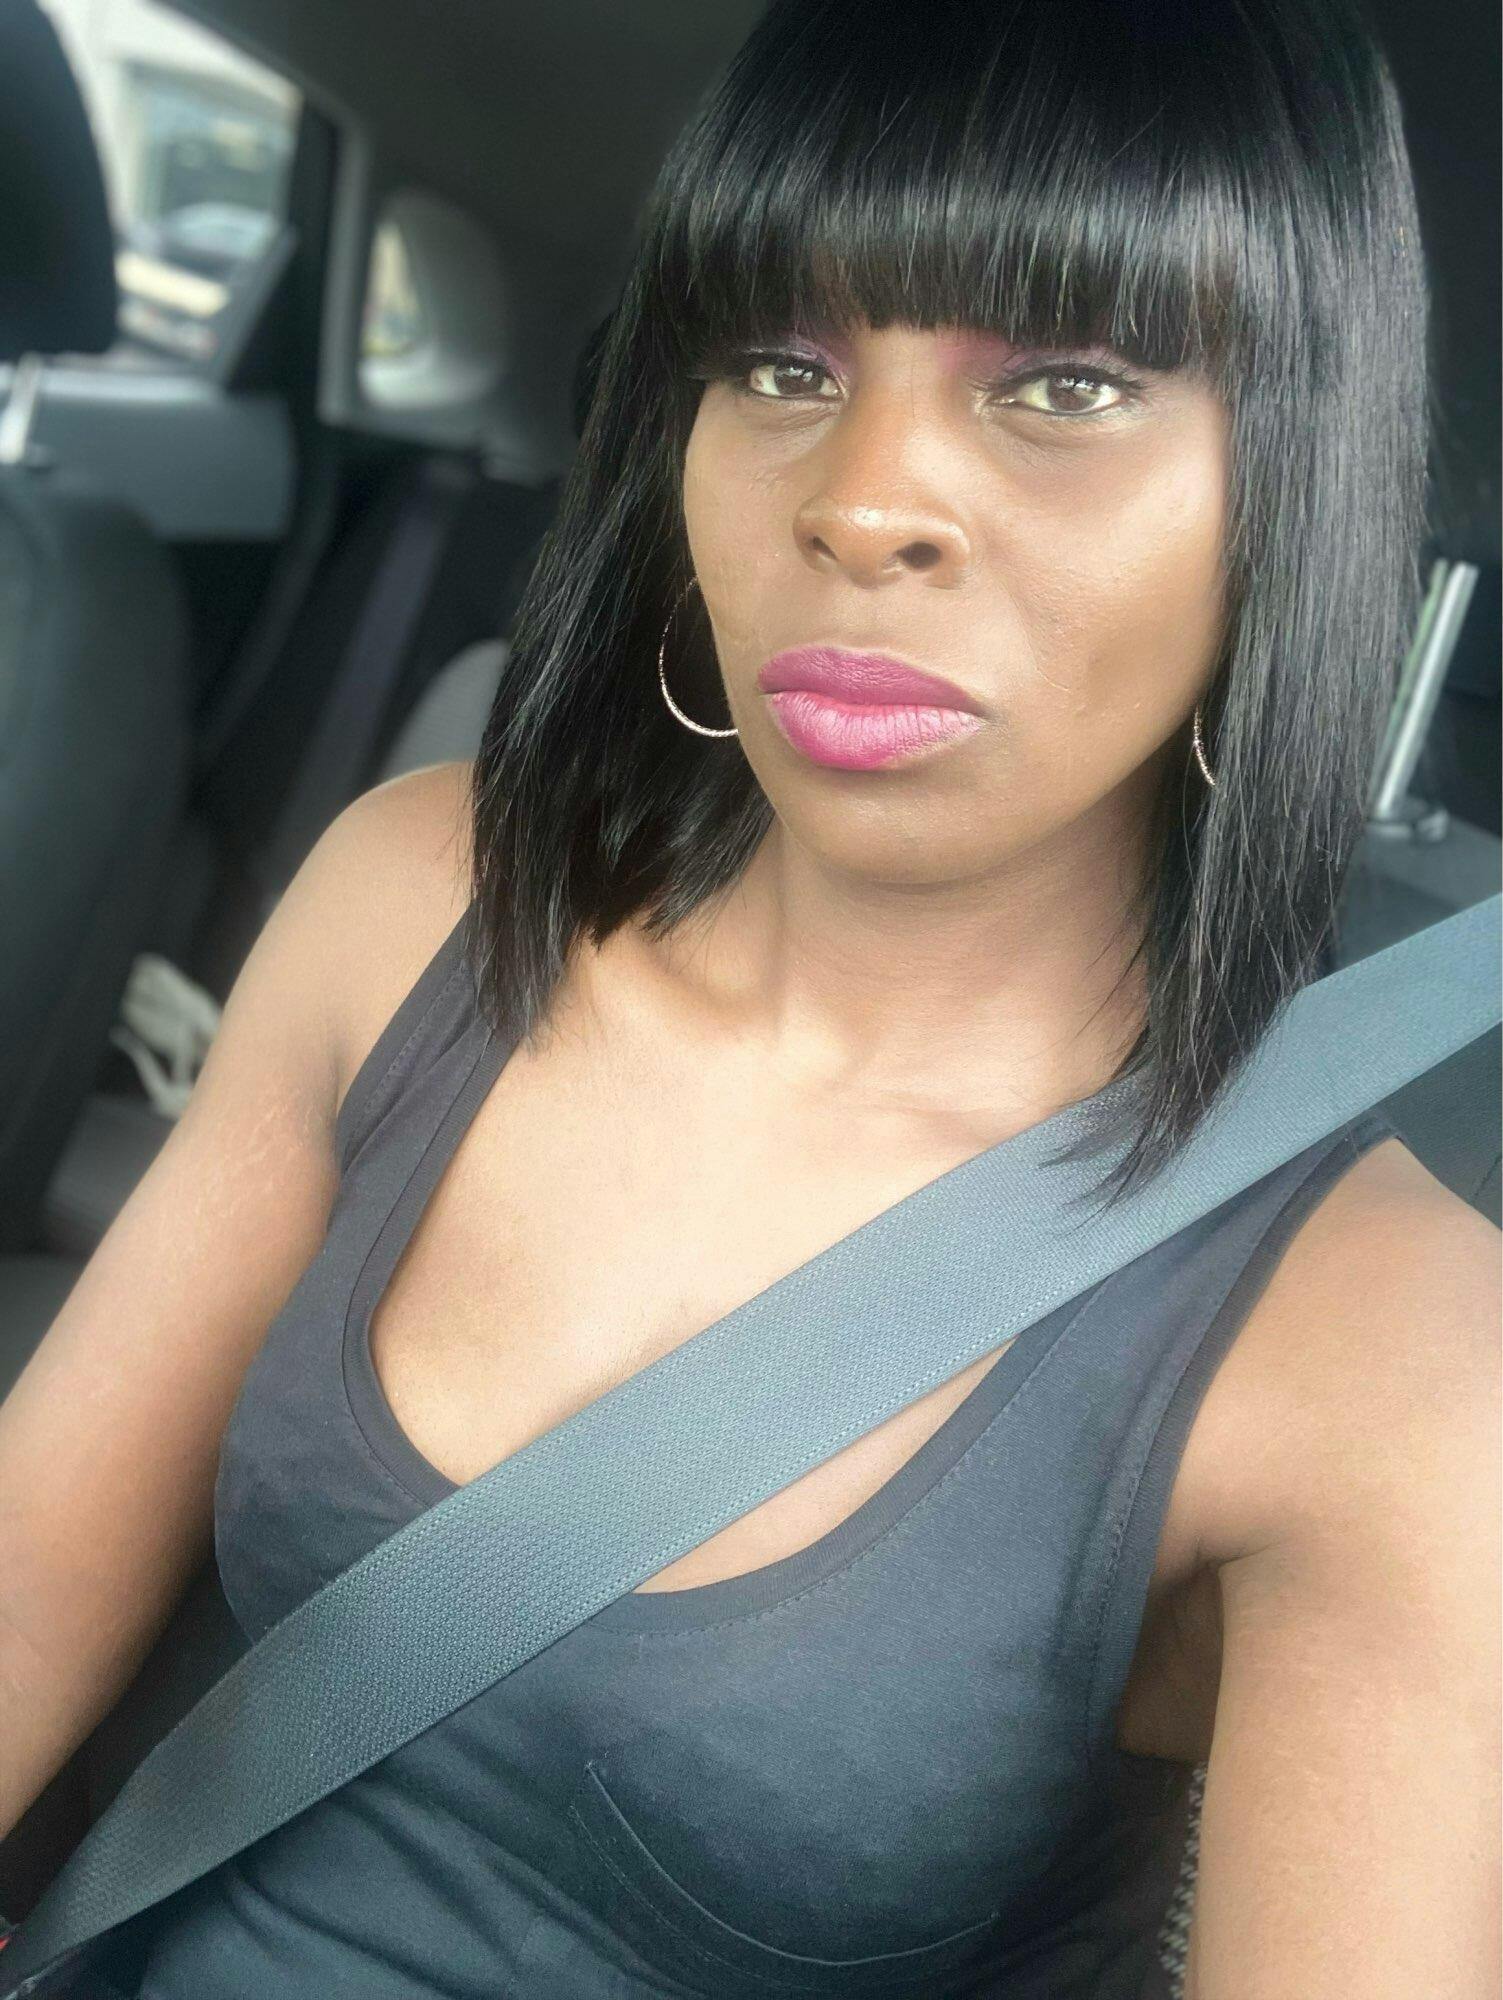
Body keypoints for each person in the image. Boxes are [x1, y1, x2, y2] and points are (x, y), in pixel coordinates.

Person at [2, 0, 1497, 1993]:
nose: (858, 500)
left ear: (1288, 503)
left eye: (1065, 383)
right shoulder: (421, 898)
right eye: (782, 365)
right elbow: (25, 1587)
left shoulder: (1393, 1350)